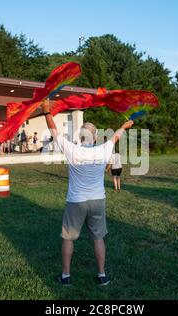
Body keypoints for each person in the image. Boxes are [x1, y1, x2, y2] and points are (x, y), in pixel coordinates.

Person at [41, 99, 134, 286]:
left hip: (75, 201)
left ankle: (66, 276)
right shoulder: (103, 149)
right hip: (98, 200)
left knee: (68, 238)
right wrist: (125, 125)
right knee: (98, 238)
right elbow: (116, 136)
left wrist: (46, 112)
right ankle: (101, 275)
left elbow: (54, 131)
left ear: (81, 136)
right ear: (95, 136)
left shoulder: (72, 149)